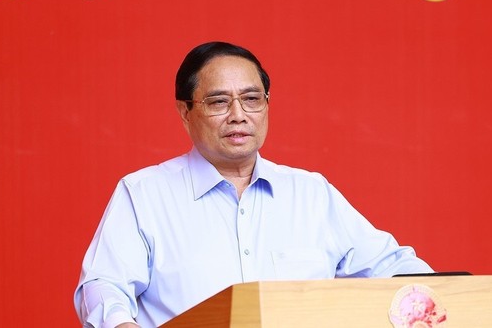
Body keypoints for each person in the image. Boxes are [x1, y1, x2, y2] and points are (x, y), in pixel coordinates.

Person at [74, 41, 432, 328]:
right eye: (218, 102)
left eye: (251, 99)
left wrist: (453, 297)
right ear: (185, 112)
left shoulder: (310, 193)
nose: (238, 115)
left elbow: (392, 266)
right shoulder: (144, 194)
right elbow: (104, 286)